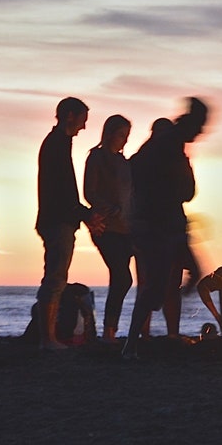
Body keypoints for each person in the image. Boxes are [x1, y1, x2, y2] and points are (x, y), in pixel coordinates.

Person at [125, 97, 209, 359]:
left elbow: (185, 190)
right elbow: (185, 190)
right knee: (157, 286)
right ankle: (132, 343)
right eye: (201, 126)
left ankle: (146, 329)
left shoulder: (169, 147)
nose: (202, 132)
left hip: (168, 224)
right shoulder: (167, 146)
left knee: (190, 274)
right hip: (159, 225)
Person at [36, 97, 102, 351]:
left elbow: (64, 191)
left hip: (58, 219)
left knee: (56, 277)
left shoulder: (58, 144)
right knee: (55, 278)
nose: (84, 127)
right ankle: (47, 339)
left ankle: (48, 338)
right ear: (70, 116)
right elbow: (62, 191)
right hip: (57, 220)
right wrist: (83, 214)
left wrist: (82, 215)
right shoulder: (56, 145)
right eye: (82, 120)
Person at [84, 115, 135, 340]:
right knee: (123, 277)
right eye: (121, 135)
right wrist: (109, 209)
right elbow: (89, 192)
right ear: (110, 133)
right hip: (105, 226)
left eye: (127, 136)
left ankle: (111, 332)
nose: (124, 140)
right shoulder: (97, 157)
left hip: (127, 228)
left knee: (120, 278)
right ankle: (109, 330)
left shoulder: (125, 163)